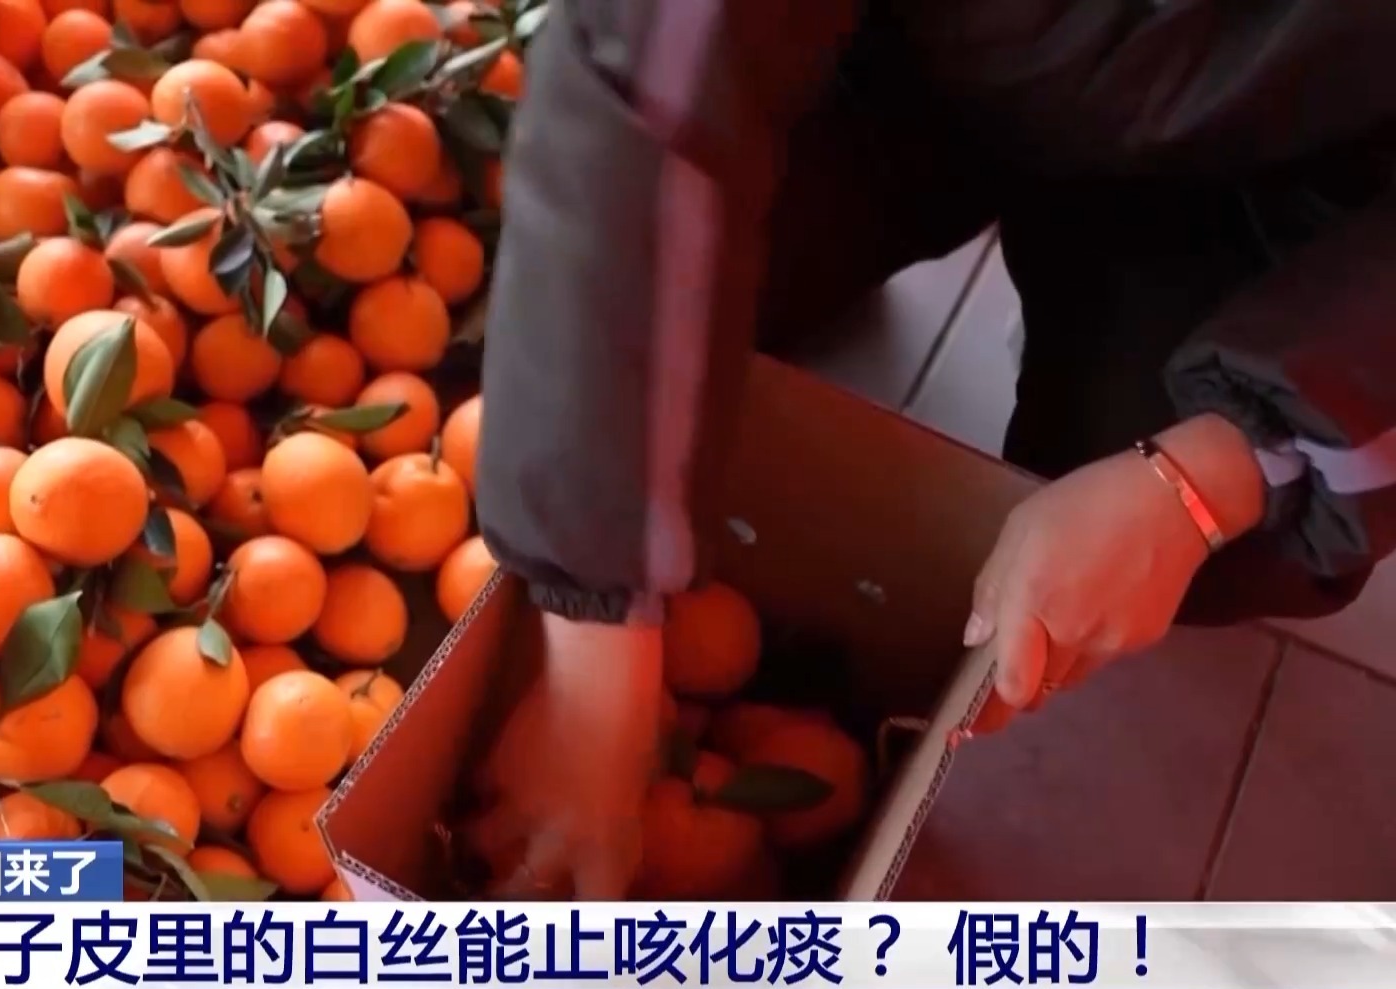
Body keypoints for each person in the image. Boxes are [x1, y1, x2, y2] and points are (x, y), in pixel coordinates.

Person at [468, 0, 1396, 899]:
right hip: (930, 47)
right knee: (651, 312)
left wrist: (1218, 471)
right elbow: (651, 81)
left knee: (1162, 504)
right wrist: (597, 665)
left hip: (1285, 168)